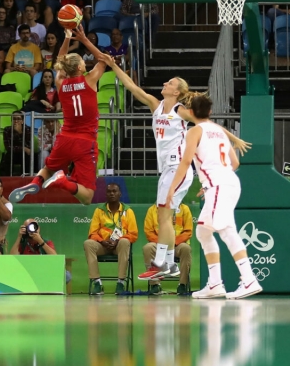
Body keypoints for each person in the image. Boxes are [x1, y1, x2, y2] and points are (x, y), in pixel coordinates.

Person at [104, 59, 249, 280]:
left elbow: (207, 124)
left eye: (169, 82)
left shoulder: (181, 111)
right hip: (167, 170)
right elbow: (132, 87)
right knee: (165, 216)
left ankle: (162, 263)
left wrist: (233, 138)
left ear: (177, 91)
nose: (165, 83)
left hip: (178, 167)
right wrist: (113, 66)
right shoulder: (156, 105)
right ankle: (169, 264)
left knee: (164, 215)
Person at [166, 94, 260, 299]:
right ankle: (215, 283)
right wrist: (211, 182)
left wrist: (172, 187)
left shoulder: (194, 131)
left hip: (219, 185)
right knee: (203, 232)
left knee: (226, 230)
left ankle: (249, 279)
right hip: (226, 183)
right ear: (210, 112)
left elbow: (185, 163)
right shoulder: (219, 131)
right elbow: (235, 163)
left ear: (190, 112)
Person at [8, 30, 109, 206]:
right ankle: (63, 181)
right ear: (79, 67)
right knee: (87, 197)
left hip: (64, 138)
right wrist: (85, 40)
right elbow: (103, 59)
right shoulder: (90, 80)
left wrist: (67, 38)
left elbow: (58, 61)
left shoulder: (61, 83)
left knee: (48, 168)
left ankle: (34, 183)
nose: (85, 63)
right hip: (85, 143)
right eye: (83, 62)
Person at [83, 183, 139, 295]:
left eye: (114, 191)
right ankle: (97, 283)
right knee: (88, 243)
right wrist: (102, 241)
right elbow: (92, 233)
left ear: (120, 194)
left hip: (119, 246)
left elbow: (133, 234)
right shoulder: (99, 210)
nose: (112, 193)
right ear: (106, 194)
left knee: (125, 241)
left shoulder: (128, 211)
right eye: (109, 191)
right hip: (103, 245)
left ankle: (120, 283)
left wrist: (117, 240)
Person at [141, 203, 193, 296]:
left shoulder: (184, 209)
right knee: (148, 248)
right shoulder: (152, 210)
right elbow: (149, 232)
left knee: (186, 248)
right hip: (159, 244)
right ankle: (155, 285)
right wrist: (162, 242)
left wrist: (173, 242)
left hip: (177, 244)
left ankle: (182, 284)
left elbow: (188, 231)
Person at [0, 112, 33, 176]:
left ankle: (26, 177)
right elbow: (8, 147)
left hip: (23, 154)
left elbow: (28, 146)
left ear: (22, 121)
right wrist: (23, 148)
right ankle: (7, 179)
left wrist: (19, 133)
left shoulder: (28, 129)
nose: (16, 121)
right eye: (14, 119)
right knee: (7, 157)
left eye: (18, 119)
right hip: (13, 153)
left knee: (27, 156)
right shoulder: (7, 130)